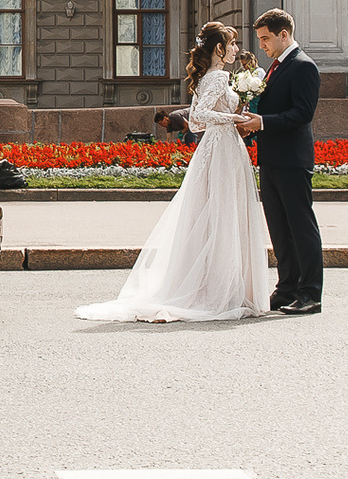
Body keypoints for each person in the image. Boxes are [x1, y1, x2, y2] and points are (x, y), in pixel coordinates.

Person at [76, 22, 272, 324]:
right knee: (223, 214)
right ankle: (222, 290)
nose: (236, 49)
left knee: (211, 216)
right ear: (219, 49)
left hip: (216, 148)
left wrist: (232, 115)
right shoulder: (219, 77)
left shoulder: (209, 77)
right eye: (232, 44)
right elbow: (198, 117)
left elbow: (195, 125)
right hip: (221, 150)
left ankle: (214, 283)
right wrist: (234, 116)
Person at [237, 8, 324, 315]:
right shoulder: (276, 67)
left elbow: (302, 114)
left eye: (265, 38)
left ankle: (310, 293)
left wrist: (261, 122)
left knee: (301, 227)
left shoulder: (303, 67)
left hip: (292, 159)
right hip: (272, 158)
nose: (261, 44)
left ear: (283, 34)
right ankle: (286, 288)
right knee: (279, 228)